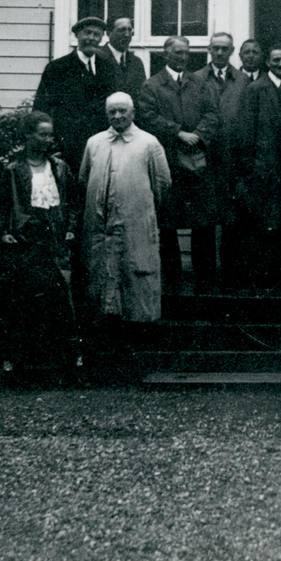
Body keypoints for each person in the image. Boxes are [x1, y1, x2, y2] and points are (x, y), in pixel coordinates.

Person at [79, 92, 172, 365]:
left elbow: (162, 185)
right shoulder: (94, 143)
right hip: (99, 230)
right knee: (103, 285)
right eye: (112, 112)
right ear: (106, 114)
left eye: (123, 111)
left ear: (133, 113)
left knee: (136, 285)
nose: (118, 117)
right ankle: (105, 356)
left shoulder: (149, 144)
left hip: (136, 227)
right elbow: (85, 179)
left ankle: (136, 355)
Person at [0, 111, 79, 380]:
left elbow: (73, 202)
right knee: (22, 304)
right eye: (42, 134)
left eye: (50, 134)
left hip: (55, 244)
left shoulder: (60, 168)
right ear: (28, 135)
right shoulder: (12, 169)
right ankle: (16, 366)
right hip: (26, 244)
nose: (47, 139)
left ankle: (65, 365)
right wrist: (3, 232)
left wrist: (72, 229)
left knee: (60, 303)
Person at [137, 36, 221, 292]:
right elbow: (147, 117)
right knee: (168, 225)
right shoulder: (152, 85)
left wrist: (198, 135)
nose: (182, 57)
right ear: (165, 54)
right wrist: (177, 133)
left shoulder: (199, 82)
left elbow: (213, 113)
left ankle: (205, 286)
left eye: (185, 53)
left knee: (203, 225)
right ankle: (172, 286)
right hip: (168, 164)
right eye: (176, 53)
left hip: (197, 164)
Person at [234, 45, 281, 287]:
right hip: (262, 169)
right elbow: (246, 133)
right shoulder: (256, 89)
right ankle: (261, 280)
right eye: (276, 60)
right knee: (262, 227)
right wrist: (249, 171)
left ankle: (280, 279)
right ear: (267, 63)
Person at [193, 32, 250, 289]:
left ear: (231, 51)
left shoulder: (243, 80)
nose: (219, 53)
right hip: (203, 159)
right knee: (202, 221)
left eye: (224, 48)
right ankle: (203, 279)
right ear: (209, 50)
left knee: (232, 222)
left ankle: (231, 277)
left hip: (232, 160)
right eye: (215, 48)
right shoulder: (195, 79)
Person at [33, 16, 117, 174]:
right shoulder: (57, 68)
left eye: (96, 35)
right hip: (67, 147)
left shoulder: (107, 67)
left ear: (101, 38)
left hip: (101, 145)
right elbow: (41, 108)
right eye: (87, 33)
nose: (91, 38)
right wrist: (50, 143)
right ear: (77, 35)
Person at [104, 17, 147, 100]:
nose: (127, 35)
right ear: (109, 33)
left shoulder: (136, 62)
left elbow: (142, 97)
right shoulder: (97, 58)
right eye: (121, 30)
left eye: (130, 30)